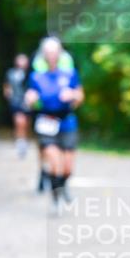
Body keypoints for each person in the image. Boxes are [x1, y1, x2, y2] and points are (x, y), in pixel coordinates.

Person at [25, 37, 84, 211]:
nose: (51, 55)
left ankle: (63, 186)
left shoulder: (70, 74)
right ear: (43, 54)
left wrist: (73, 95)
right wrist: (31, 99)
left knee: (67, 167)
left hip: (67, 121)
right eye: (48, 52)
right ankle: (55, 198)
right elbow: (30, 97)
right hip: (46, 123)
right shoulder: (36, 76)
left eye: (54, 51)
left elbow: (80, 96)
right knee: (55, 163)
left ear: (60, 53)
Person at [4, 53, 31, 158]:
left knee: (26, 123)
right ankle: (20, 141)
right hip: (16, 100)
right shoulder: (11, 73)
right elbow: (7, 86)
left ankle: (24, 139)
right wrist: (8, 94)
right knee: (19, 121)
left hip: (28, 101)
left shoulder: (30, 73)